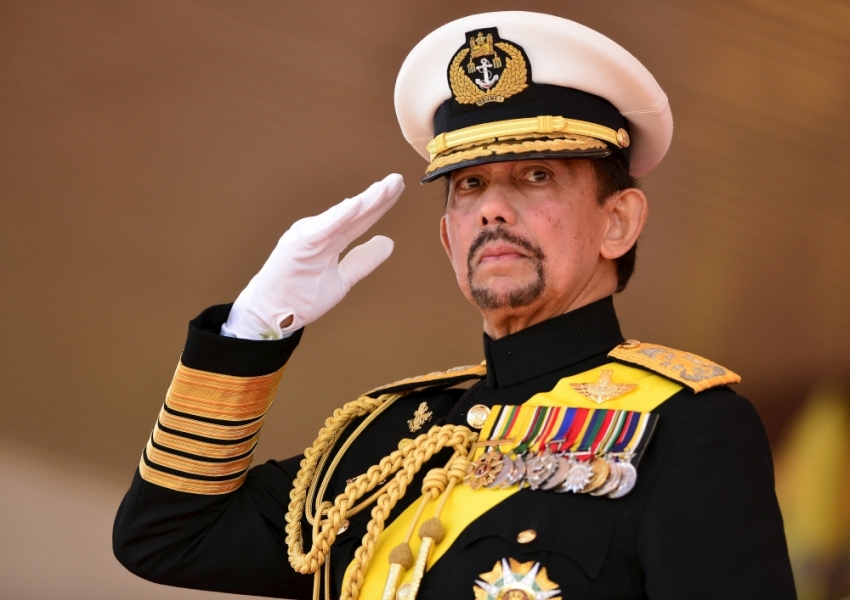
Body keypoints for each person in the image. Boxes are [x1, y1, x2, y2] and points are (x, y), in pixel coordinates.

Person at [113, 11, 796, 600]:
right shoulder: (389, 438)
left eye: (535, 175)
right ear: (449, 237)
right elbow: (166, 537)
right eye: (469, 185)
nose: (493, 207)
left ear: (617, 222)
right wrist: (254, 330)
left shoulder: (685, 429)